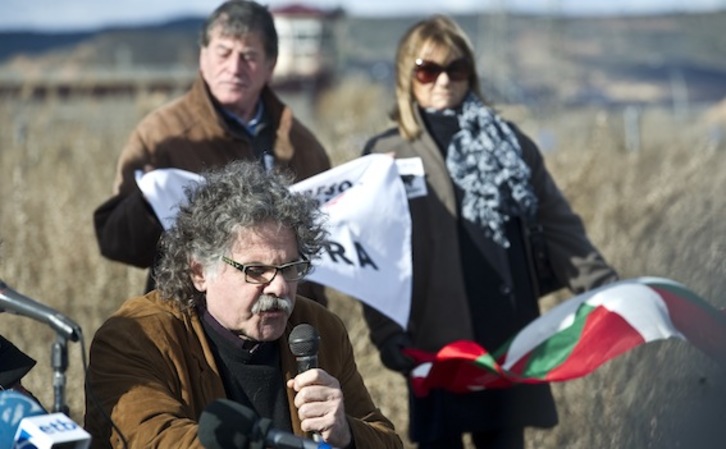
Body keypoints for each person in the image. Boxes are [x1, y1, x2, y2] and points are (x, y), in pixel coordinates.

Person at [361, 15, 619, 449]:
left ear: (470, 74)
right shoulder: (385, 153)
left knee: (504, 440)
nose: (443, 81)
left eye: (455, 69)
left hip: (506, 332)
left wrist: (609, 290)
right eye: (428, 70)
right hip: (436, 340)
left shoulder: (509, 142)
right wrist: (388, 335)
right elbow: (374, 255)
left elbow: (559, 224)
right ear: (408, 77)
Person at [83, 160, 403, 449]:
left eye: (289, 268)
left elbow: (386, 440)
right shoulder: (137, 336)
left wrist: (346, 434)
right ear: (199, 272)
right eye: (256, 270)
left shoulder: (318, 329)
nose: (279, 286)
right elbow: (157, 441)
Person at [92, 0, 331, 304]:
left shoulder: (300, 144)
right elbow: (116, 242)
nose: (234, 68)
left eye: (248, 56)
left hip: (287, 323)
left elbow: (326, 245)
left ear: (270, 65)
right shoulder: (161, 135)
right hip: (193, 325)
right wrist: (148, 205)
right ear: (203, 57)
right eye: (223, 53)